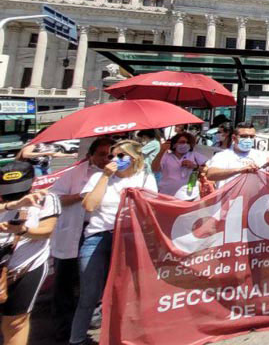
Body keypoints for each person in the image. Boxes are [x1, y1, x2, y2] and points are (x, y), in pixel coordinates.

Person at [71, 139, 157, 345]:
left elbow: (151, 209)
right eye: (112, 155)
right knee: (90, 293)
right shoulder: (99, 177)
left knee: (127, 293)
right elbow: (89, 206)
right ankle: (77, 339)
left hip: (129, 238)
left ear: (134, 158)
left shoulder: (144, 178)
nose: (114, 159)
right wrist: (105, 177)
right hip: (99, 237)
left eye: (120, 155)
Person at [47, 137, 112, 342]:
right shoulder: (74, 174)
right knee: (65, 281)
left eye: (109, 155)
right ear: (89, 156)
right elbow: (52, 198)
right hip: (74, 231)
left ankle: (90, 320)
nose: (105, 159)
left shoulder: (118, 175)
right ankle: (64, 328)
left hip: (99, 233)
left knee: (94, 282)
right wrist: (79, 196)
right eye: (101, 154)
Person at [0, 161, 59, 345]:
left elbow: (47, 230)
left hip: (26, 266)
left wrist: (21, 231)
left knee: (15, 322)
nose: (14, 195)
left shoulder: (47, 199)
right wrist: (13, 204)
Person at [205, 122, 269, 187]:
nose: (248, 139)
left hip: (255, 202)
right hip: (230, 202)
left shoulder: (261, 155)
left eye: (251, 137)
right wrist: (240, 170)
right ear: (234, 138)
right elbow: (211, 174)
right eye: (244, 136)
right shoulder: (223, 156)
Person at [151, 132, 208, 196]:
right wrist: (162, 150)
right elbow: (154, 169)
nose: (185, 144)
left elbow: (207, 170)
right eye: (182, 142)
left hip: (189, 195)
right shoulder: (166, 156)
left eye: (188, 142)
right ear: (174, 144)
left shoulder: (194, 155)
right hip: (167, 195)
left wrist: (194, 166)